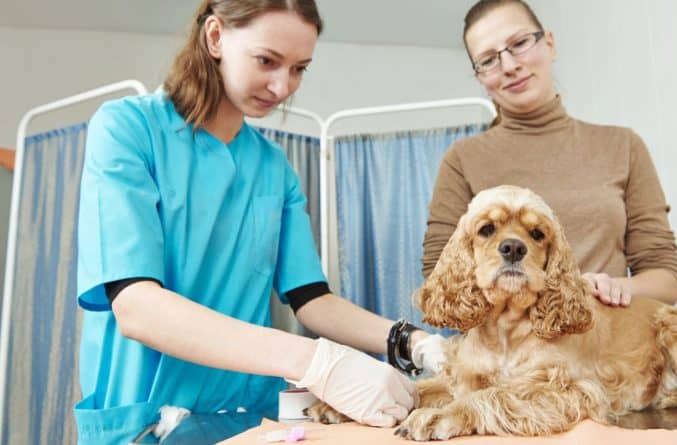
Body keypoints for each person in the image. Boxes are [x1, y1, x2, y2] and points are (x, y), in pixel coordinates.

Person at [74, 1, 444, 443]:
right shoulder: (128, 130)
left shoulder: (274, 168)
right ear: (215, 37)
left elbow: (311, 299)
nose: (282, 85)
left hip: (245, 416)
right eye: (267, 61)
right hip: (146, 421)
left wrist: (411, 341)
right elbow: (136, 307)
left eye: (299, 68)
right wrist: (317, 362)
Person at [423, 0, 677, 307]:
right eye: (488, 60)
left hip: (604, 338)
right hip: (508, 350)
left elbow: (665, 278)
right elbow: (437, 276)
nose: (509, 66)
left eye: (519, 43)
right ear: (480, 77)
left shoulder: (623, 146)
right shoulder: (462, 159)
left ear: (549, 44)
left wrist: (613, 286)